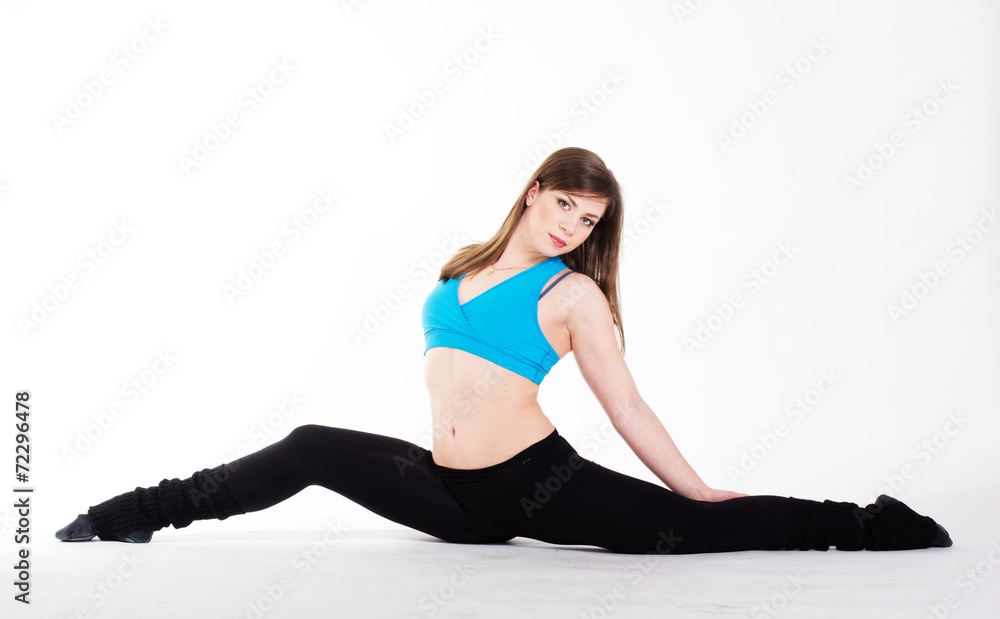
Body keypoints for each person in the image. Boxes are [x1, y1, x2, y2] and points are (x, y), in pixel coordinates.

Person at [56, 147, 951, 554]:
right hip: (448, 492)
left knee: (699, 530)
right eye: (566, 205)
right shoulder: (457, 274)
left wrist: (695, 484)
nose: (574, 227)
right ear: (533, 193)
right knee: (311, 444)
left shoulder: (573, 295)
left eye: (591, 221)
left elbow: (625, 404)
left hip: (533, 480)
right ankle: (134, 510)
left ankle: (860, 523)